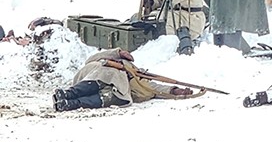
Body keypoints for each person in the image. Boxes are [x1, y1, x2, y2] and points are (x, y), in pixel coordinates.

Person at [52, 48, 195, 112]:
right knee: (105, 73)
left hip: (117, 92)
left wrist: (174, 90)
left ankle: (69, 104)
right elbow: (90, 60)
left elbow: (154, 87)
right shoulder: (104, 62)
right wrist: (116, 53)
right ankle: (67, 95)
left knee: (108, 94)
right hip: (94, 77)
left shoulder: (137, 77)